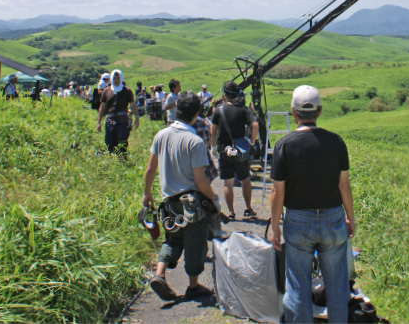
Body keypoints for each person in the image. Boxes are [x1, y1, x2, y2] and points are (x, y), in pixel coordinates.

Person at [269, 85, 355, 324]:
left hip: (298, 221)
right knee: (338, 287)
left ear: (293, 113)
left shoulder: (283, 145)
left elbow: (277, 192)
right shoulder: (336, 142)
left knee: (297, 286)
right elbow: (344, 186)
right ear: (320, 111)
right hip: (333, 218)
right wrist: (350, 217)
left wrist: (275, 226)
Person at [143, 91, 220, 301]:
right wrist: (213, 198)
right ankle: (193, 286)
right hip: (192, 203)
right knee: (195, 243)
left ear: (177, 109)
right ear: (197, 113)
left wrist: (147, 194)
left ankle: (159, 274)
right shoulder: (194, 141)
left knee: (172, 240)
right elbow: (201, 179)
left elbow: (150, 169)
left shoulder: (161, 135)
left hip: (168, 201)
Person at [210, 81, 259, 220]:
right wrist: (252, 142)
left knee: (228, 183)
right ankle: (248, 208)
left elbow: (213, 132)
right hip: (241, 150)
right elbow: (255, 125)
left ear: (224, 95)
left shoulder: (219, 110)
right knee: (245, 180)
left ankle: (231, 212)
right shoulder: (244, 110)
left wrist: (213, 147)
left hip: (224, 150)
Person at [97, 69, 140, 156]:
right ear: (112, 79)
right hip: (110, 120)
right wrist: (99, 122)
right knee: (109, 143)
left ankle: (122, 162)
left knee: (122, 143)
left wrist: (137, 117)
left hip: (122, 121)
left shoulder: (127, 91)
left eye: (118, 78)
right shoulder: (106, 91)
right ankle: (113, 162)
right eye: (114, 78)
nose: (116, 80)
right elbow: (103, 108)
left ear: (121, 78)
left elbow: (133, 105)